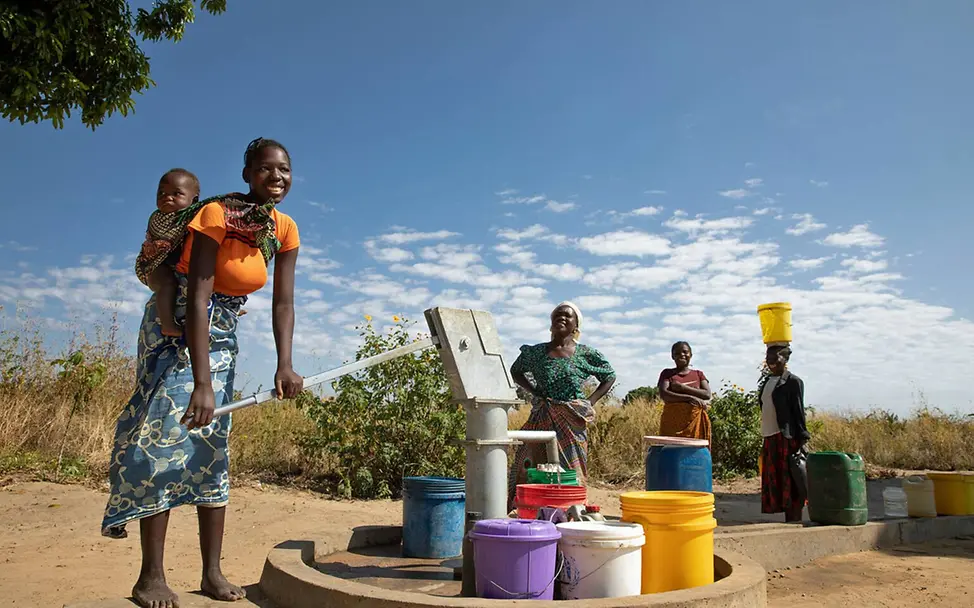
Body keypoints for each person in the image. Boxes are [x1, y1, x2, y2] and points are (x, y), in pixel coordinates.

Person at [101, 137, 305, 608]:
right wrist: (202, 382)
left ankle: (211, 573)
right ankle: (149, 576)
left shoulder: (284, 227)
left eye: (285, 170)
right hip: (179, 329)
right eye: (266, 169)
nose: (277, 177)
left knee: (210, 445)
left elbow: (284, 301)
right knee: (163, 441)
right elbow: (196, 294)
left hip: (224, 334)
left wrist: (285, 364)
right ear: (247, 174)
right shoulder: (214, 215)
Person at [507, 302, 616, 510]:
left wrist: (589, 402)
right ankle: (533, 510)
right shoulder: (536, 353)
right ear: (551, 322)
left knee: (571, 471)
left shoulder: (585, 354)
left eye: (567, 316)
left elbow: (609, 376)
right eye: (557, 315)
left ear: (576, 325)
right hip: (541, 416)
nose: (562, 318)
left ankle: (572, 511)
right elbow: (516, 371)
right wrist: (534, 391)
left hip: (571, 421)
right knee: (532, 466)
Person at [136, 168, 205, 337]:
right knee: (167, 285)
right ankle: (167, 324)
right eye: (162, 193)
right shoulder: (159, 219)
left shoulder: (197, 216)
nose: (167, 197)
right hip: (154, 266)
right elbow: (165, 240)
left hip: (177, 267)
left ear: (194, 199)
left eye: (176, 193)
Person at [759, 344, 810, 523]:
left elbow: (798, 411)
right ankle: (787, 517)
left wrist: (802, 439)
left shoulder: (793, 382)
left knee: (791, 480)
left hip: (785, 437)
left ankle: (794, 518)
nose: (771, 362)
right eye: (769, 358)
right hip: (769, 436)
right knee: (777, 481)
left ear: (786, 359)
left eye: (776, 358)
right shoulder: (766, 382)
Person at [657, 341, 713, 445]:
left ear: (690, 355)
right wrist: (690, 398)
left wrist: (683, 387)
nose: (682, 355)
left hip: (695, 424)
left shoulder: (698, 374)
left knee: (693, 454)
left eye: (685, 352)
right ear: (672, 356)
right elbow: (665, 395)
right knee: (671, 453)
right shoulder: (667, 374)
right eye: (677, 353)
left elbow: (707, 394)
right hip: (672, 424)